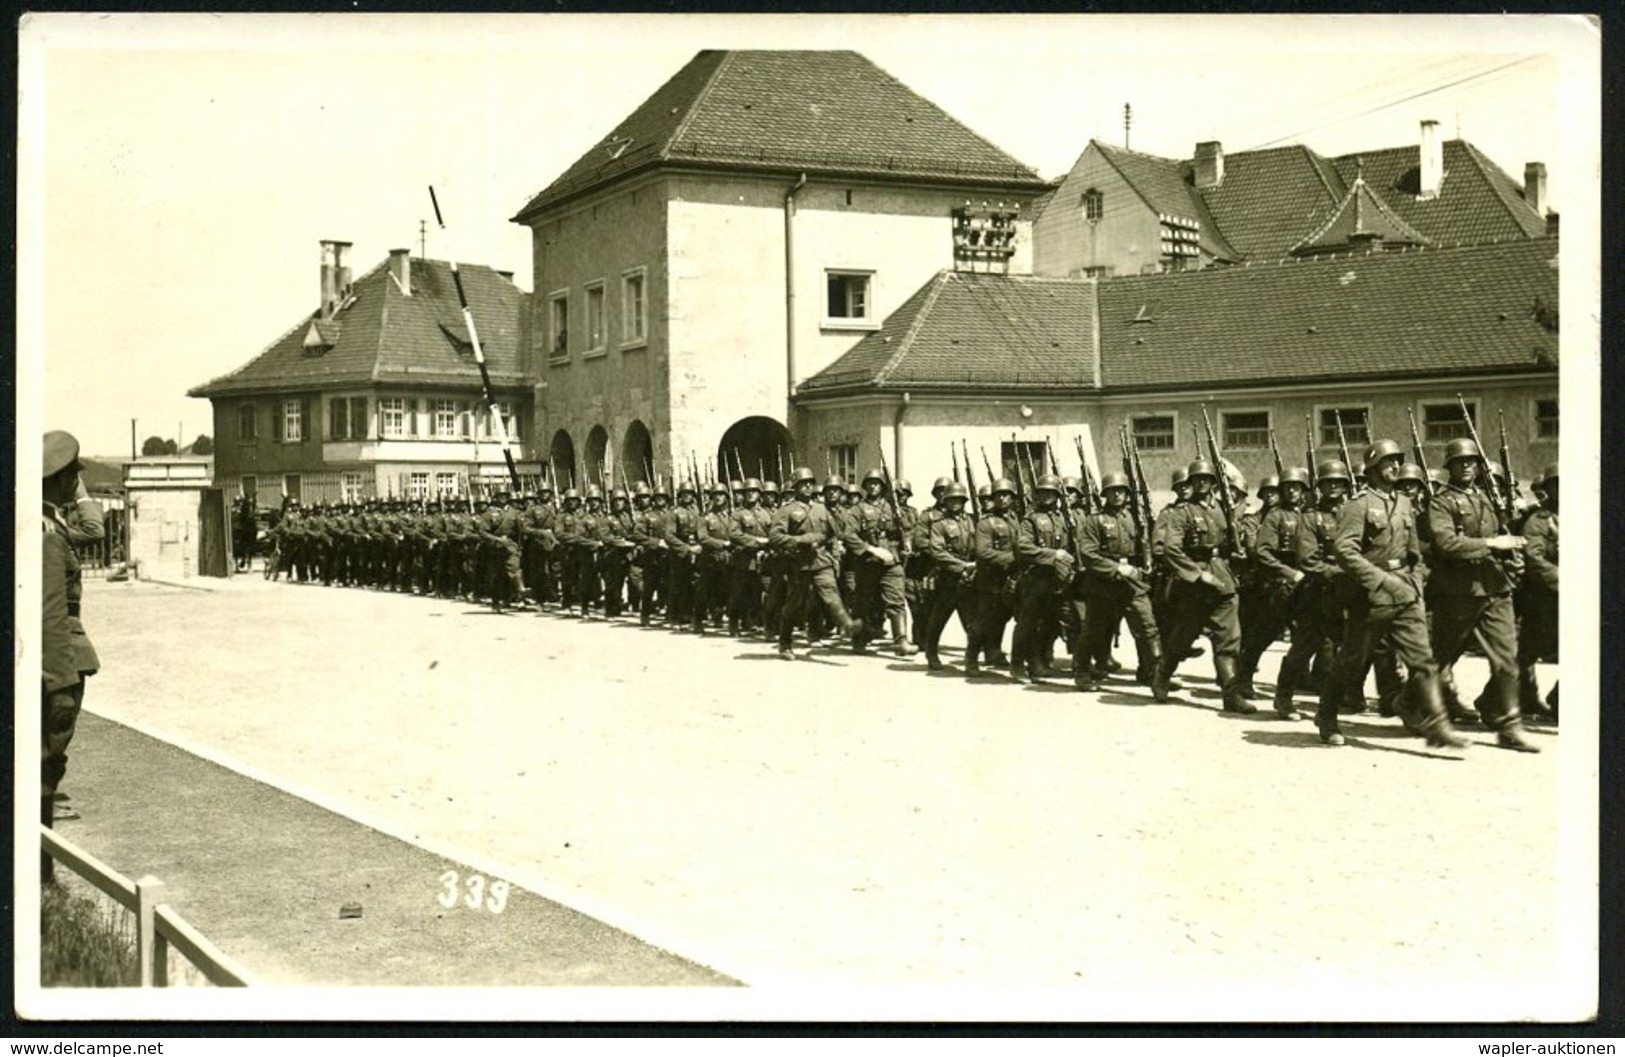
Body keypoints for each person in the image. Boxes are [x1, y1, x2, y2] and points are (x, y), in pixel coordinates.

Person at [1322, 440, 1470, 749]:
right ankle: (1326, 716)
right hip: (1372, 596)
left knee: (1424, 661)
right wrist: (1379, 581)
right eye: (1388, 462)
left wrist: (1415, 582)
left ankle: (1437, 725)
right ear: (1373, 469)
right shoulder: (1358, 504)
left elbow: (1414, 551)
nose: (1394, 466)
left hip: (1405, 590)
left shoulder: (1404, 502)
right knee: (1351, 660)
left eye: (1397, 461)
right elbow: (1343, 550)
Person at [1425, 439, 1539, 752]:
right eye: (1460, 462)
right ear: (1449, 466)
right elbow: (1446, 543)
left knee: (1507, 661)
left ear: (1479, 465)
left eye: (1472, 461)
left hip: (1495, 588)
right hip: (1458, 593)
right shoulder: (1441, 502)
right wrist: (1491, 544)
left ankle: (1508, 727)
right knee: (1440, 659)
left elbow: (1508, 530)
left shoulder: (1488, 498)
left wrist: (1510, 538)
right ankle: (1408, 702)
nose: (1466, 466)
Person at [42, 430, 102, 877]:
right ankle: (40, 876)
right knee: (46, 766)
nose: (77, 479)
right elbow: (49, 615)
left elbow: (91, 530)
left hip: (56, 663)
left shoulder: (48, 523)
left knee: (46, 768)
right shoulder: (46, 532)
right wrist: (60, 684)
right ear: (59, 479)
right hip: (57, 667)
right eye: (72, 474)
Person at [1152, 459, 1252, 713]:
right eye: (1197, 479)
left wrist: (1237, 556)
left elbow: (1231, 543)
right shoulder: (1181, 513)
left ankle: (1231, 694)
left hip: (1224, 579)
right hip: (1195, 585)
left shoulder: (1224, 510)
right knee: (1182, 637)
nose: (1202, 483)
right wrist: (1196, 574)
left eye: (1207, 479)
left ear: (1214, 483)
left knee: (1229, 640)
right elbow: (1171, 550)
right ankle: (1162, 675)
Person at [1072, 471, 1162, 692]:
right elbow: (1088, 554)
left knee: (1147, 628)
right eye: (1112, 491)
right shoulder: (1095, 520)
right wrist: (1116, 569)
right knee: (1093, 630)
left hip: (1132, 583)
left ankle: (1154, 674)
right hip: (1104, 584)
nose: (1117, 495)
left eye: (1121, 491)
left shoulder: (1135, 518)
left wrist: (1147, 562)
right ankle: (1082, 672)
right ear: (1105, 494)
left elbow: (1147, 544)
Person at [1517, 463, 1559, 721]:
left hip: (1571, 599)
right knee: (1527, 653)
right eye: (1557, 484)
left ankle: (1560, 699)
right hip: (1544, 600)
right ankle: (1496, 701)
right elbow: (1534, 559)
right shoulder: (1538, 521)